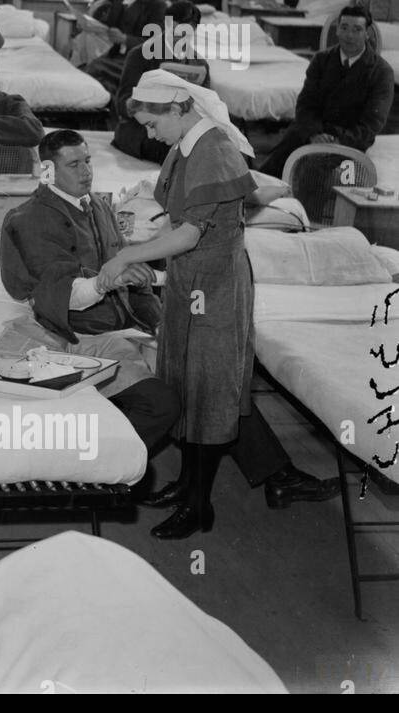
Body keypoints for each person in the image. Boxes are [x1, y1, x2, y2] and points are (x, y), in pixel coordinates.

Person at [97, 74, 339, 537]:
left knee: (209, 393)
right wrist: (266, 193)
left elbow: (191, 232)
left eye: (152, 123)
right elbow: (234, 194)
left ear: (178, 108)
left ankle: (199, 505)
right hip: (191, 279)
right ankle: (186, 483)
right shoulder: (187, 146)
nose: (148, 134)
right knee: (184, 385)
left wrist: (126, 254)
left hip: (216, 287)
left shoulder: (211, 147)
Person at [0, 130, 183, 471]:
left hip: (110, 335)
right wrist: (108, 280)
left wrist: (159, 323)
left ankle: (111, 468)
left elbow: (130, 281)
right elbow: (64, 297)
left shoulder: (98, 206)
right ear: (48, 171)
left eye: (87, 161)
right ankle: (92, 473)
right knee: (160, 403)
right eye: (73, 164)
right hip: (63, 337)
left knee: (187, 386)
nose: (85, 172)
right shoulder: (31, 219)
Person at [258, 6, 394, 177]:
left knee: (312, 179)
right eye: (344, 28)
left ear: (367, 34)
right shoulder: (322, 60)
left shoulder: (381, 72)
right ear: (337, 30)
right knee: (270, 172)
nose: (349, 35)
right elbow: (305, 105)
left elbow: (371, 125)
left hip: (349, 142)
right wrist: (314, 133)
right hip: (310, 133)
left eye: (357, 30)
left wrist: (334, 139)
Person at [111, 1, 212, 164]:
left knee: (216, 145)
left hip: (180, 127)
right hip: (143, 129)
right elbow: (122, 105)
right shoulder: (140, 55)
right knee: (179, 152)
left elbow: (205, 105)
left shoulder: (199, 64)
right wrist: (149, 102)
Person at [72, 0, 168, 96]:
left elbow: (155, 44)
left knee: (94, 69)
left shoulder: (157, 5)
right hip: (112, 54)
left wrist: (125, 39)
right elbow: (98, 7)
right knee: (86, 70)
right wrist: (87, 19)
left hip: (137, 62)